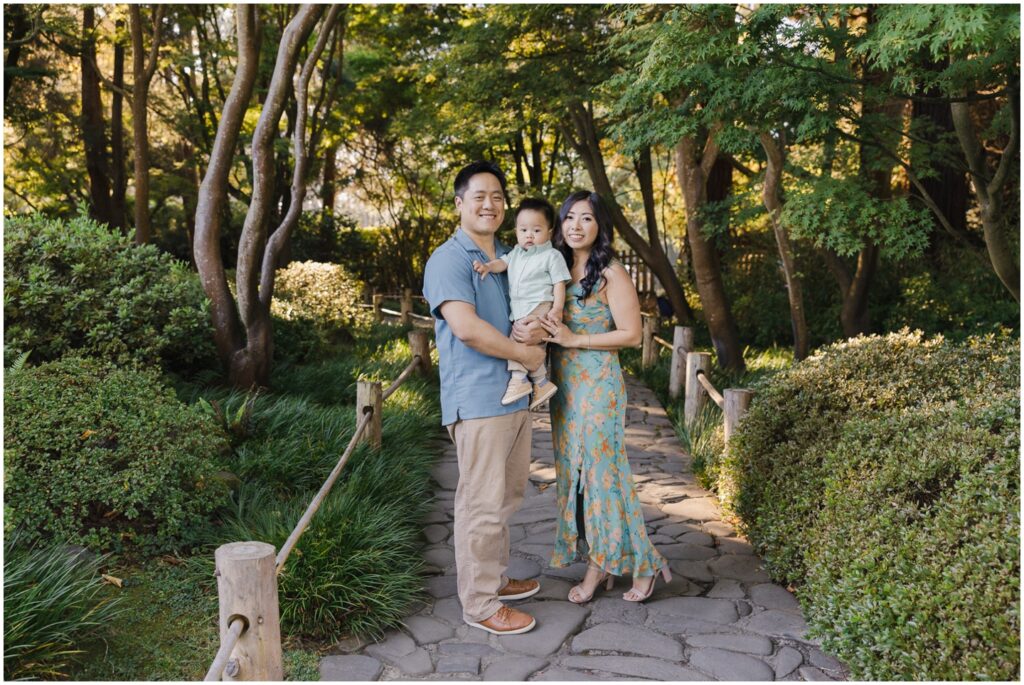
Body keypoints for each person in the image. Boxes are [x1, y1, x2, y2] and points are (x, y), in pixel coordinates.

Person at [422, 161, 546, 635]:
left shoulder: (510, 257)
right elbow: (467, 329)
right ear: (459, 204)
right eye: (479, 196)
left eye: (497, 196)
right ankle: (479, 604)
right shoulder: (449, 259)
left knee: (507, 497)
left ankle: (494, 579)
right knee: (482, 504)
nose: (490, 205)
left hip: (515, 396)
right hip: (477, 400)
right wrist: (526, 355)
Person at [536, 190, 672, 603]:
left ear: (600, 227)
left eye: (587, 218)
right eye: (569, 217)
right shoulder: (555, 265)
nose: (576, 226)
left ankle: (629, 565)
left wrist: (575, 339)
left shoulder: (611, 271)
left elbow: (631, 335)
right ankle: (608, 556)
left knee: (602, 476)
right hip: (564, 386)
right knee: (574, 477)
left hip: (598, 386)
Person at [472, 197, 571, 410]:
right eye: (524, 230)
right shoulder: (516, 253)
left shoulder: (551, 256)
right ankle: (541, 383)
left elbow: (559, 283)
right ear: (516, 231)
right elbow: (502, 263)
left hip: (540, 305)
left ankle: (518, 380)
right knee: (527, 342)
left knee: (517, 340)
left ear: (549, 233)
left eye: (536, 230)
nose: (529, 235)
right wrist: (488, 267)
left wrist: (557, 309)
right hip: (520, 309)